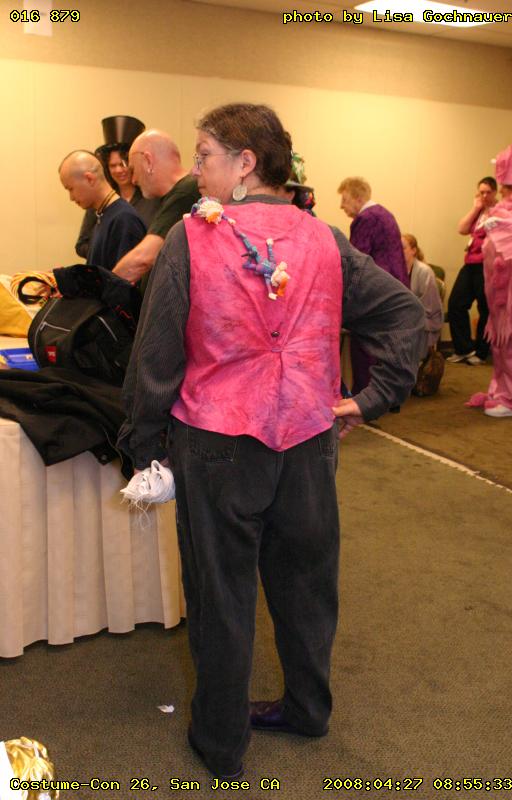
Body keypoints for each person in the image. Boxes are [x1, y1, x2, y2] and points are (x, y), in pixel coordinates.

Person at [118, 103, 425, 779]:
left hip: (216, 446)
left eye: (204, 155)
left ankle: (221, 743)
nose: (197, 169)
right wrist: (373, 397)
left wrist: (142, 444)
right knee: (307, 585)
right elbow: (406, 314)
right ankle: (308, 710)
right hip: (309, 443)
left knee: (221, 594)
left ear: (245, 163)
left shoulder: (190, 240)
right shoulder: (324, 239)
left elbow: (156, 356)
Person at [466, 131, 512, 417]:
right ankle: (500, 390)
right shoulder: (502, 210)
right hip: (501, 298)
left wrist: (504, 226)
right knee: (501, 346)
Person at [337, 176, 408, 393]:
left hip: (374, 294)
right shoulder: (385, 215)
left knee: (365, 350)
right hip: (394, 289)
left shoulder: (366, 219)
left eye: (345, 199)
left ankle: (364, 396)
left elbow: (356, 261)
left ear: (358, 198)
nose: (341, 206)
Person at [112, 130, 199, 284]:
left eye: (133, 170)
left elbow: (143, 259)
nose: (133, 180)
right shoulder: (178, 194)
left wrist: (104, 288)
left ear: (148, 161)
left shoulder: (185, 193)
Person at [75, 116, 161, 259]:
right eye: (112, 166)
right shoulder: (100, 200)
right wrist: (107, 250)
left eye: (123, 164)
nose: (118, 170)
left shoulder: (152, 198)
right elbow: (81, 245)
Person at [59, 150, 146, 270]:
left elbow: (123, 279)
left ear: (89, 179)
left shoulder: (124, 219)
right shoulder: (103, 214)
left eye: (71, 189)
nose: (71, 198)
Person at [446, 176, 498, 365]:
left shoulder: (499, 211)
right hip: (470, 264)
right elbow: (462, 229)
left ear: (495, 192)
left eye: (488, 192)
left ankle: (482, 352)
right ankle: (464, 349)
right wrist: (476, 208)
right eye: (481, 192)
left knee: (485, 309)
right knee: (455, 304)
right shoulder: (479, 211)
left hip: (488, 265)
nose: (484, 196)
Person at [402, 233, 444, 352]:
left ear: (413, 250)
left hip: (426, 321)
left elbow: (429, 307)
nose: (399, 251)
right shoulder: (398, 269)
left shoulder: (424, 272)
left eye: (403, 248)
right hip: (407, 317)